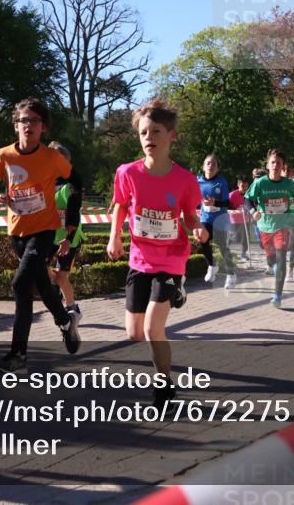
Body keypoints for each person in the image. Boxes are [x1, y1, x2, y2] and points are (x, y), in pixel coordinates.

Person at [106, 98, 208, 408]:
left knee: (153, 329)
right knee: (134, 333)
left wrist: (197, 228)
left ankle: (163, 387)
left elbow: (190, 214)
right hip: (140, 259)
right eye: (143, 133)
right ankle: (177, 291)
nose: (148, 138)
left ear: (171, 135)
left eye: (156, 132)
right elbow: (120, 205)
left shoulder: (185, 179)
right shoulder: (127, 172)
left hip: (171, 259)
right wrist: (114, 238)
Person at [0, 99, 82, 373]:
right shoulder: (3, 155)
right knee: (40, 286)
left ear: (43, 127)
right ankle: (65, 322)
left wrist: (71, 221)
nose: (28, 125)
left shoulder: (52, 157)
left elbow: (76, 181)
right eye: (24, 120)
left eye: (35, 121)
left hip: (44, 231)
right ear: (15, 125)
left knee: (20, 283)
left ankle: (18, 355)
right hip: (17, 232)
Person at [245, 150, 294, 308]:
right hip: (264, 226)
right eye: (273, 162)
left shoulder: (289, 184)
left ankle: (277, 296)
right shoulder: (260, 183)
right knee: (271, 260)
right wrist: (253, 211)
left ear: (283, 166)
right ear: (267, 165)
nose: (276, 165)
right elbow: (247, 200)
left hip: (283, 226)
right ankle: (274, 266)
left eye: (279, 163)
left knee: (281, 259)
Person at [47, 142, 87, 321]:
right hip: (48, 236)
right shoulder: (42, 180)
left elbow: (74, 213)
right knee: (39, 268)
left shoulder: (71, 185)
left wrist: (68, 238)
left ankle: (72, 308)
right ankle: (54, 284)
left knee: (62, 277)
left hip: (69, 237)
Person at [197, 154, 237, 288]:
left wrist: (215, 202)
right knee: (202, 238)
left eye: (214, 164)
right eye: (208, 163)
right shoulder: (198, 181)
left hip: (220, 218)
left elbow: (227, 203)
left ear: (218, 168)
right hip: (206, 217)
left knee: (222, 246)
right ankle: (212, 265)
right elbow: (194, 199)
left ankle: (231, 274)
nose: (210, 166)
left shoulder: (221, 182)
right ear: (203, 166)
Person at [228, 177, 250, 266]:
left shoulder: (249, 194)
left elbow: (254, 205)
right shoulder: (232, 195)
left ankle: (244, 253)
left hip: (245, 219)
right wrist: (235, 209)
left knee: (246, 237)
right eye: (242, 186)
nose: (244, 188)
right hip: (234, 219)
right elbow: (227, 206)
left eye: (246, 186)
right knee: (233, 237)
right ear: (238, 185)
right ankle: (225, 251)